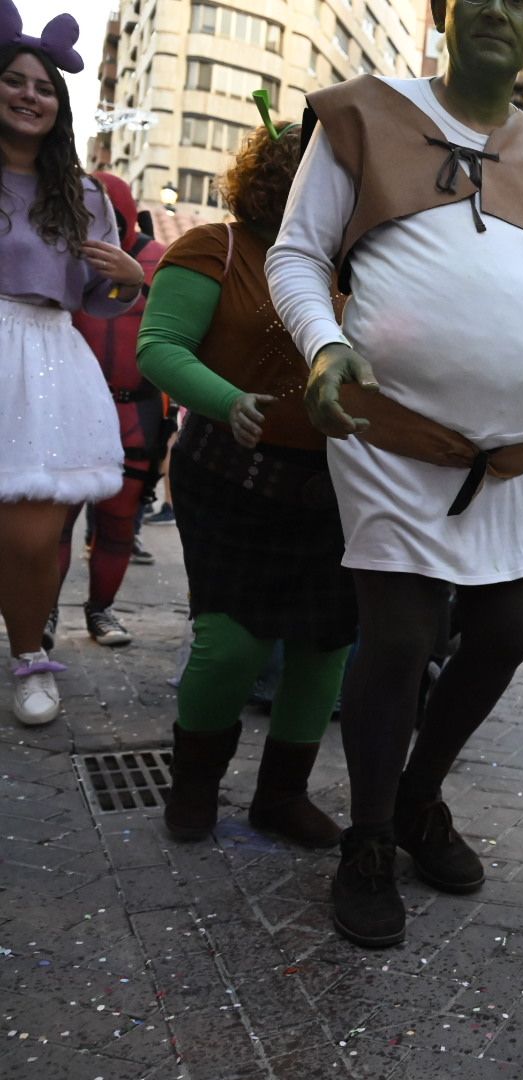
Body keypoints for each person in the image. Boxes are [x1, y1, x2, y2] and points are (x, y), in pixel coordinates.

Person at [265, 0, 523, 948]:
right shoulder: (366, 112)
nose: (500, 9)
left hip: (506, 455)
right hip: (390, 430)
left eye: (521, 0)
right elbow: (295, 254)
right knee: (405, 628)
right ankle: (369, 840)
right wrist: (326, 346)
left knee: (504, 633)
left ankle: (418, 801)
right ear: (446, 12)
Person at [136, 121, 351, 849]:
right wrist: (230, 402)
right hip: (230, 473)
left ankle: (279, 798)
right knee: (231, 645)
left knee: (326, 648)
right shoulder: (214, 246)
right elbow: (158, 347)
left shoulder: (347, 267)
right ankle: (193, 785)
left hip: (330, 487)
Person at [0, 9, 144, 726]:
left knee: (29, 537)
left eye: (44, 88)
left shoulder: (84, 195)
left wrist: (127, 276)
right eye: (15, 82)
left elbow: (103, 298)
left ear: (60, 107)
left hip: (45, 358)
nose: (30, 95)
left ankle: (29, 658)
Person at [54, 172, 167, 649]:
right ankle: (41, 616)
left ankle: (100, 611)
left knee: (119, 523)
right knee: (54, 525)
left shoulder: (160, 261)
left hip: (133, 412)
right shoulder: (62, 254)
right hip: (69, 409)